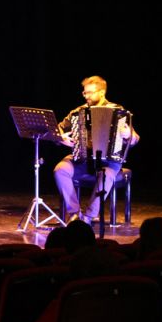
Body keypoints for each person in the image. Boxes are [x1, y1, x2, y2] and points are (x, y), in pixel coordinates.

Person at [53, 75, 139, 226]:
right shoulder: (77, 111)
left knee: (105, 175)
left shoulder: (118, 111)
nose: (85, 95)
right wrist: (61, 138)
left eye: (89, 93)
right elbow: (58, 129)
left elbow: (135, 138)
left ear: (101, 92)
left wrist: (128, 135)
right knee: (60, 169)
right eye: (84, 92)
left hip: (109, 162)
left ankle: (87, 217)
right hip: (82, 160)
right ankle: (74, 214)